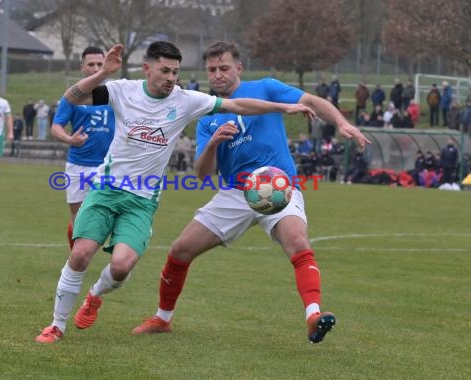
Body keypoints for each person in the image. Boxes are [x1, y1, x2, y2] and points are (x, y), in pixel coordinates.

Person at [34, 41, 318, 344]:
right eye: (165, 71)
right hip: (105, 190)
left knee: (121, 266)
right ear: (147, 69)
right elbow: (73, 97)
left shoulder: (186, 101)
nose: (171, 78)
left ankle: (95, 295)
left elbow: (239, 105)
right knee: (80, 254)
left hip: (141, 201)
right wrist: (102, 73)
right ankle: (56, 326)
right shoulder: (122, 91)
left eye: (176, 72)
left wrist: (283, 107)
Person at [131, 41, 369, 344]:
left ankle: (313, 315)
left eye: (224, 68)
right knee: (180, 250)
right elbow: (202, 174)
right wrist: (215, 141)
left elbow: (312, 100)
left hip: (279, 185)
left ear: (239, 68)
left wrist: (342, 123)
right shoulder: (208, 113)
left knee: (297, 241)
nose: (217, 75)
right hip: (235, 193)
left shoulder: (266, 88)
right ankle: (162, 319)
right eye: (212, 70)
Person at [50, 46, 116, 250]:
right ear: (82, 67)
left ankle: (119, 257)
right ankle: (75, 261)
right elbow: (56, 126)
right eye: (91, 64)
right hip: (78, 165)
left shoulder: (118, 92)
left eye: (100, 63)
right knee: (78, 219)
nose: (96, 68)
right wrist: (70, 139)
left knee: (112, 215)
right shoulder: (73, 96)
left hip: (111, 166)